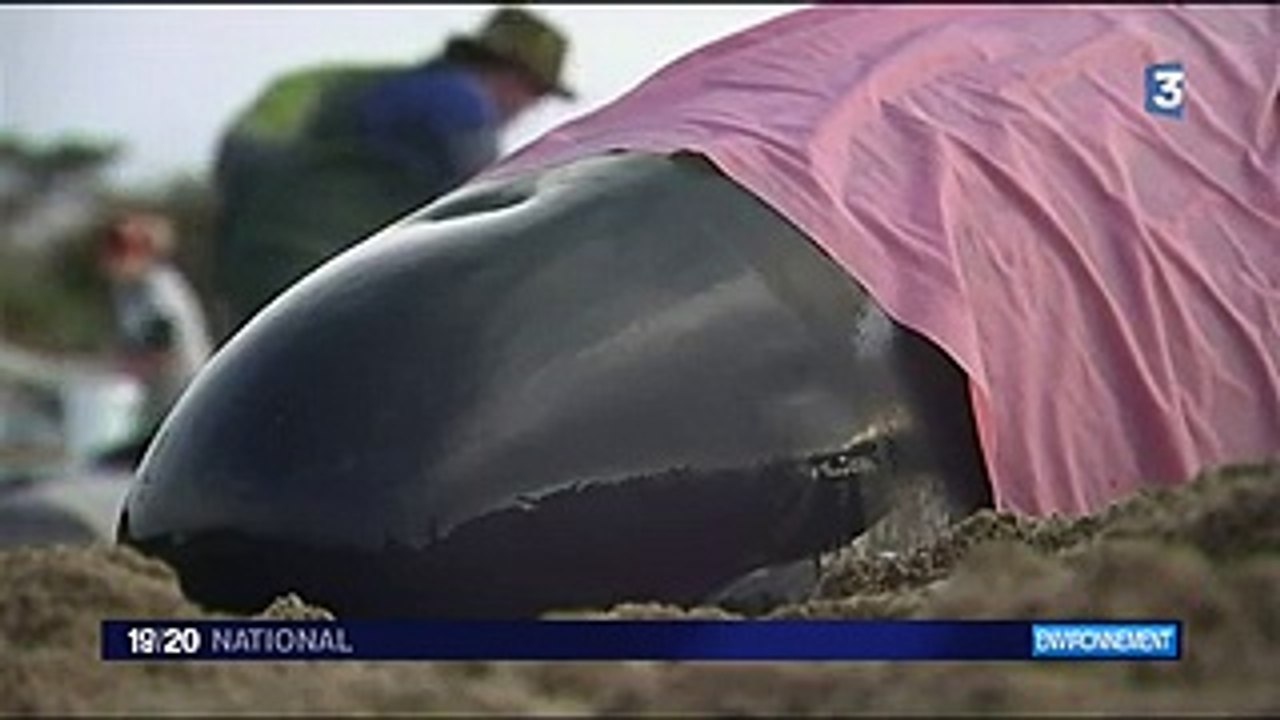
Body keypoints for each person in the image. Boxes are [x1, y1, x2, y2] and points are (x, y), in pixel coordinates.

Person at [212, 5, 575, 333]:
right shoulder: (459, 102)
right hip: (316, 274)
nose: (529, 108)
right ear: (510, 72)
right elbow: (493, 203)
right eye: (536, 92)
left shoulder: (396, 89)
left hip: (263, 266)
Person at [98, 212, 212, 453]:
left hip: (181, 400)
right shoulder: (127, 291)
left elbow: (163, 343)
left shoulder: (159, 288)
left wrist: (125, 373)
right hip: (155, 403)